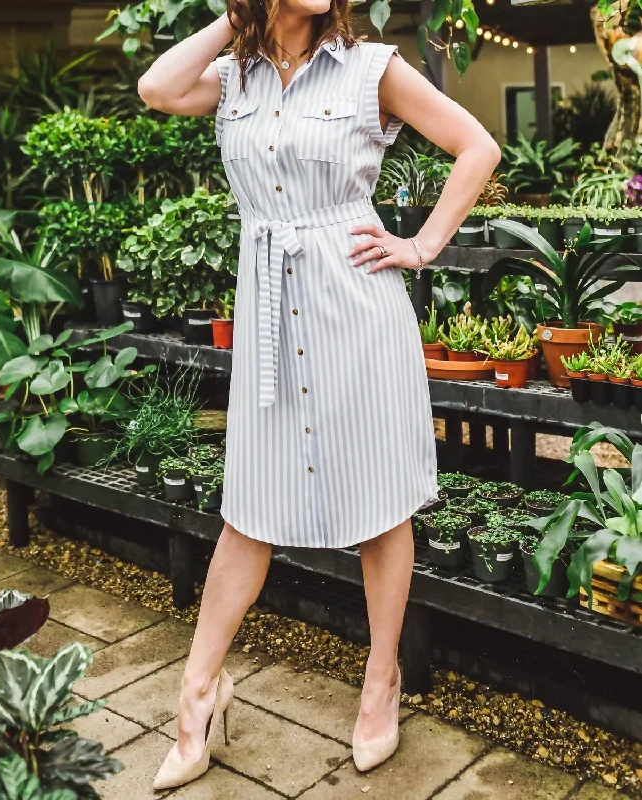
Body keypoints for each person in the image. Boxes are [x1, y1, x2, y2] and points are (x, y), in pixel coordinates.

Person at [138, 0, 500, 789]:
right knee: (249, 508)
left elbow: (477, 145)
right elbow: (158, 89)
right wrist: (234, 18)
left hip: (356, 308)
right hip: (269, 313)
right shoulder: (232, 76)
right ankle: (197, 694)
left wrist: (422, 244)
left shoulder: (372, 68)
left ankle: (381, 682)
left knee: (379, 506)